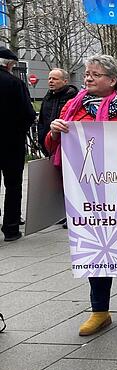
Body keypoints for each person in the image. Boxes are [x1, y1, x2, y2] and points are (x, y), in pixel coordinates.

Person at [47, 54, 117, 335]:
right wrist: (55, 132)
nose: (88, 78)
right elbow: (51, 146)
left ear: (112, 80)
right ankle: (99, 311)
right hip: (89, 194)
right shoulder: (73, 107)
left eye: (95, 74)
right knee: (96, 251)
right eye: (86, 74)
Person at [0, 47, 36, 242]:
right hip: (11, 142)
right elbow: (28, 114)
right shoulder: (15, 83)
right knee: (13, 185)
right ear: (9, 64)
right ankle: (11, 228)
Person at [37, 68, 77, 155]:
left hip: (66, 144)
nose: (51, 81)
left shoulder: (73, 98)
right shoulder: (47, 98)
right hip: (48, 144)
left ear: (65, 81)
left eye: (55, 79)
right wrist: (41, 138)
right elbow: (42, 120)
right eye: (49, 78)